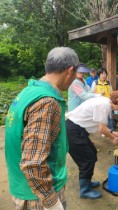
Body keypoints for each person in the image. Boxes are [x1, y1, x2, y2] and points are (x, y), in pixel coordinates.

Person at [5, 47, 80, 210]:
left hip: (22, 185)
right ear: (70, 71)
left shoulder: (29, 91)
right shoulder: (47, 102)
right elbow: (33, 164)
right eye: (76, 74)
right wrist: (52, 203)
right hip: (37, 197)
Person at [65, 90, 118, 200]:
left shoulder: (105, 102)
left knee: (92, 154)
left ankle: (87, 181)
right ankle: (84, 190)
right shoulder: (104, 105)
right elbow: (101, 128)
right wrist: (112, 138)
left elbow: (100, 124)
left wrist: (112, 132)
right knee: (87, 160)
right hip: (73, 131)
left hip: (78, 130)